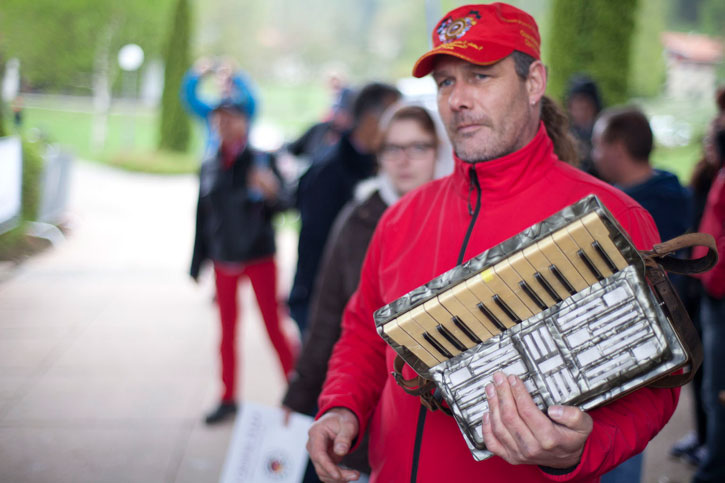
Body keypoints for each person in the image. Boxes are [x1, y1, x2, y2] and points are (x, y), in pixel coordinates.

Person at [305, 4, 678, 483]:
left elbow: (655, 384)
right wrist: (342, 407)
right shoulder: (400, 218)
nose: (458, 99)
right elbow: (362, 331)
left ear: (534, 82)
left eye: (481, 76)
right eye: (445, 82)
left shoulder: (611, 218)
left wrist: (578, 449)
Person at [283, 103, 451, 482]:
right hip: (363, 411)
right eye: (393, 148)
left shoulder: (454, 218)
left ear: (438, 151)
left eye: (418, 147)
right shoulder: (358, 219)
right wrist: (298, 398)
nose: (404, 160)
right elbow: (328, 319)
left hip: (434, 421)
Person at [592, 108, 692, 482]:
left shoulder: (626, 210)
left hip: (627, 344)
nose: (594, 152)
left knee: (617, 442)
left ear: (618, 148)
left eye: (599, 144)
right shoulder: (673, 192)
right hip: (661, 342)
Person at [190, 96, 296, 424]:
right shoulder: (209, 163)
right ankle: (227, 397)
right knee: (226, 332)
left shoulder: (261, 160)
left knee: (273, 326)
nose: (222, 124)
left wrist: (272, 192)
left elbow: (287, 205)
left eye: (229, 118)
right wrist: (197, 260)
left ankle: (298, 394)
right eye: (217, 119)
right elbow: (202, 216)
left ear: (245, 122)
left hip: (259, 256)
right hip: (224, 259)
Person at [288, 83, 401, 335]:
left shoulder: (383, 165)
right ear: (372, 120)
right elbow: (316, 250)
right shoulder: (327, 173)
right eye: (395, 117)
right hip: (327, 311)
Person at [691, 89, 725, 483]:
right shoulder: (711, 174)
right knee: (711, 385)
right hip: (711, 291)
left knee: (718, 389)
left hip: (720, 294)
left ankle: (713, 467)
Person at [181, 57, 258, 157]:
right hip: (215, 158)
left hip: (239, 160)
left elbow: (250, 97)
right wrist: (197, 74)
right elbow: (190, 98)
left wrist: (236, 76)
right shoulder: (212, 110)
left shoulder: (243, 108)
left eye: (227, 80)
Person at [287, 88, 356, 164]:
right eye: (337, 110)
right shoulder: (319, 129)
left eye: (344, 112)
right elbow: (293, 149)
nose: (339, 115)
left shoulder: (354, 143)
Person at [566, 75, 603, 176]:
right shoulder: (566, 133)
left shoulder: (604, 132)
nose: (581, 109)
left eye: (585, 104)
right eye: (577, 103)